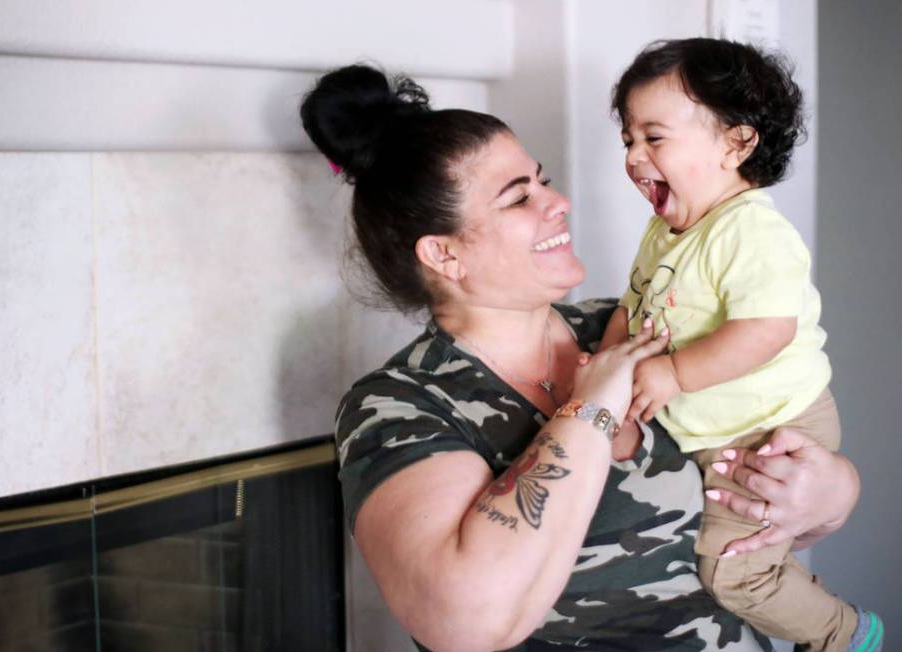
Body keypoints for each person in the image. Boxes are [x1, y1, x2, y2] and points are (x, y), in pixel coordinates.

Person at [301, 64, 861, 651]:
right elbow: (463, 624)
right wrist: (591, 410)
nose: (559, 202)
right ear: (444, 254)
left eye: (543, 181)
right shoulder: (400, 406)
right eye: (520, 198)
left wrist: (833, 491)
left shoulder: (634, 320)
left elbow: (766, 506)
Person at [604, 38, 882, 651]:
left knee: (734, 573)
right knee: (753, 554)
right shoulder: (664, 231)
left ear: (737, 142)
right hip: (722, 428)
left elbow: (766, 330)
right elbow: (632, 305)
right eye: (628, 139)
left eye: (654, 137)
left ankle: (846, 636)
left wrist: (672, 375)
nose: (633, 156)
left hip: (771, 427)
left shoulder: (751, 229)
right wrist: (608, 363)